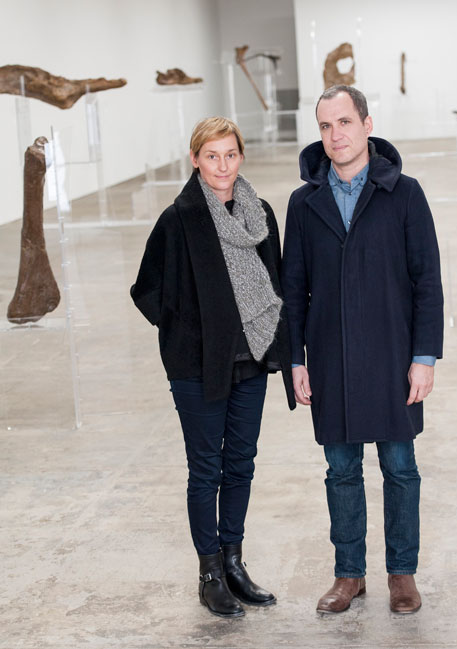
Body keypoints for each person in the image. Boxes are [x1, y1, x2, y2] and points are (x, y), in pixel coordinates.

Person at [281, 86, 444, 615]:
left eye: (345, 123)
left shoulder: (406, 194)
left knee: (399, 466)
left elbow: (427, 281)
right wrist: (296, 359)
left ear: (367, 124)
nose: (336, 135)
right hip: (331, 357)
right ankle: (349, 574)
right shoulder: (304, 203)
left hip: (394, 354)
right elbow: (294, 287)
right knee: (341, 470)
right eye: (326, 126)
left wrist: (424, 356)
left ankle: (402, 574)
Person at [130, 117, 295, 618]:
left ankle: (234, 562)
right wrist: (188, 331)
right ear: (195, 159)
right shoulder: (177, 219)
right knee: (206, 469)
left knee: (240, 463)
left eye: (230, 154)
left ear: (241, 157)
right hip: (198, 366)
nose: (222, 165)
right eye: (212, 156)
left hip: (252, 358)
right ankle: (209, 573)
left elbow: (273, 284)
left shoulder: (259, 213)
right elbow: (146, 290)